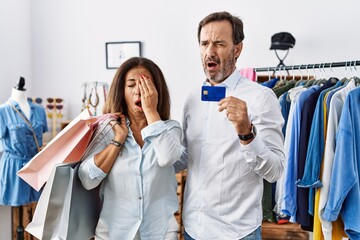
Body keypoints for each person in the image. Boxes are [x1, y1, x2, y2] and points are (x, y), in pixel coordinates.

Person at [174, 11, 285, 240]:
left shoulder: (261, 98)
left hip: (237, 233)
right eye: (204, 43)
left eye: (219, 43)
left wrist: (247, 133)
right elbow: (185, 158)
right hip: (194, 229)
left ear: (237, 49)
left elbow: (275, 171)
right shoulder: (191, 99)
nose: (209, 51)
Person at [78, 57, 183, 240]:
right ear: (121, 91)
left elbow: (167, 157)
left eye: (145, 84)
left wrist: (151, 111)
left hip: (160, 232)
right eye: (132, 85)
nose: (138, 92)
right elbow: (87, 179)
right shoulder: (107, 129)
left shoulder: (170, 128)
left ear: (156, 90)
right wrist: (117, 140)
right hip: (114, 232)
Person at [0, 77, 48, 206]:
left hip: (35, 165)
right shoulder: (2, 111)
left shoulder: (39, 110)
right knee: (17, 208)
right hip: (14, 168)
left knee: (37, 205)